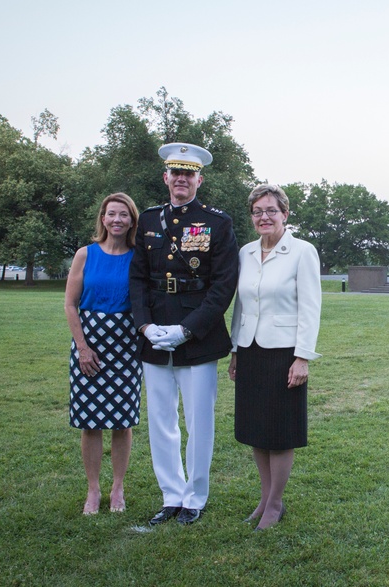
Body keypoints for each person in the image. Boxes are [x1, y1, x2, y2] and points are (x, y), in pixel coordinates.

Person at [129, 142, 239, 527]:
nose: (181, 179)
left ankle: (195, 495)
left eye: (188, 173)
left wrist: (187, 329)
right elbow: (138, 279)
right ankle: (171, 494)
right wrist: (145, 325)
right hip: (155, 333)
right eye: (175, 172)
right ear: (165, 177)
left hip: (198, 335)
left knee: (198, 421)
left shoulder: (218, 223)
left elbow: (224, 285)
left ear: (199, 180)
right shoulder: (148, 220)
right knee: (161, 420)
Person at [228, 184, 321, 531]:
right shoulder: (246, 253)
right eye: (257, 211)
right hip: (250, 351)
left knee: (280, 432)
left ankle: (276, 503)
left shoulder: (302, 252)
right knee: (256, 430)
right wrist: (236, 349)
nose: (264, 216)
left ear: (285, 214)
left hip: (284, 353)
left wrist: (303, 357)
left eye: (271, 210)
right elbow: (241, 304)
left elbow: (310, 308)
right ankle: (265, 499)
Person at [64, 193, 142, 515]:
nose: (117, 220)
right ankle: (93, 490)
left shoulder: (139, 257)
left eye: (124, 215)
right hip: (89, 344)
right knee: (90, 422)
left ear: (132, 220)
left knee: (122, 423)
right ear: (103, 218)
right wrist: (82, 347)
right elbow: (70, 304)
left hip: (126, 345)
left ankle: (118, 487)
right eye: (112, 214)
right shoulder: (85, 254)